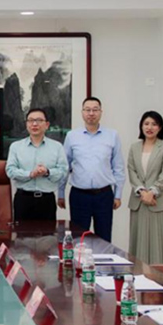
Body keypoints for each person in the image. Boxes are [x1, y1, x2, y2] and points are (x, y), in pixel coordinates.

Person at [57, 97, 125, 242]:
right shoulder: (72, 136)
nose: (91, 113)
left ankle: (103, 259)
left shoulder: (112, 135)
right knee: (78, 239)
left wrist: (118, 195)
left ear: (101, 112)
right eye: (87, 110)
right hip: (79, 196)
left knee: (104, 239)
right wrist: (61, 193)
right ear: (82, 112)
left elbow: (118, 167)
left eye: (95, 110)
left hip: (104, 195)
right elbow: (65, 167)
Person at [127, 111, 163, 264]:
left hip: (159, 203)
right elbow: (131, 171)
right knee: (139, 245)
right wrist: (142, 192)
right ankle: (139, 275)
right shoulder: (134, 147)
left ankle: (160, 276)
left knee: (159, 245)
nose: (149, 127)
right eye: (146, 124)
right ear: (141, 126)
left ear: (160, 127)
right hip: (139, 202)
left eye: (154, 124)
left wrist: (152, 192)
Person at [6, 108, 68, 221]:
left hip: (47, 200)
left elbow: (63, 171)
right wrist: (30, 174)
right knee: (22, 232)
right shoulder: (16, 147)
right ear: (26, 124)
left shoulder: (57, 147)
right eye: (31, 120)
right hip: (23, 199)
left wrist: (47, 172)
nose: (34, 124)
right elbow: (10, 171)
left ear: (47, 125)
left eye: (39, 120)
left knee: (48, 232)